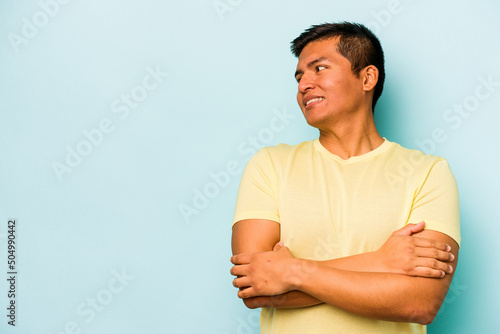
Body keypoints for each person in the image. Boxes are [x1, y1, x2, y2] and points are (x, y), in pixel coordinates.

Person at [229, 22, 460, 333]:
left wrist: (291, 271)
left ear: (367, 77)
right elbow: (254, 286)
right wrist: (380, 262)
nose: (303, 85)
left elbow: (419, 302)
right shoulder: (270, 164)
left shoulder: (428, 172)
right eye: (299, 77)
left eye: (319, 69)